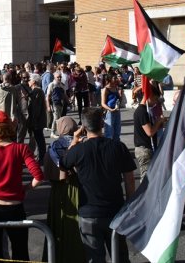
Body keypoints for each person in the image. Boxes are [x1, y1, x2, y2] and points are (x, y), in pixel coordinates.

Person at [60, 108, 136, 263]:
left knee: (94, 258)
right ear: (102, 124)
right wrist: (130, 204)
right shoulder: (118, 147)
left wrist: (74, 140)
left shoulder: (78, 150)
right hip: (115, 210)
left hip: (89, 213)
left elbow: (63, 163)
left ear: (84, 127)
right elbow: (129, 179)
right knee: (120, 256)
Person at [0, 110, 43, 261]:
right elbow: (38, 176)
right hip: (16, 207)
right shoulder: (21, 149)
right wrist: (26, 188)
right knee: (20, 252)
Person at [42, 116, 85, 263]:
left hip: (57, 193)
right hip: (77, 191)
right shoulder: (80, 145)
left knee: (56, 228)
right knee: (76, 228)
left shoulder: (52, 149)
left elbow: (47, 174)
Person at [133, 81, 167, 182]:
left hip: (146, 148)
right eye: (155, 99)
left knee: (151, 178)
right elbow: (150, 132)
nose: (156, 102)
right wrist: (158, 121)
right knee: (146, 180)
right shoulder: (141, 111)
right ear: (150, 96)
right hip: (144, 149)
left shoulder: (145, 111)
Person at [100, 73, 122, 141]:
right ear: (109, 79)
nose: (116, 79)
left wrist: (121, 95)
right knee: (109, 133)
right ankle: (109, 149)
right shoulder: (105, 89)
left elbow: (118, 100)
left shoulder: (116, 88)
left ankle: (116, 148)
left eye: (116, 78)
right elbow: (103, 103)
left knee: (117, 132)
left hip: (117, 111)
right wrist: (111, 109)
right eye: (114, 78)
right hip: (109, 112)